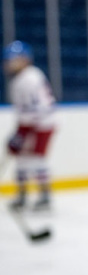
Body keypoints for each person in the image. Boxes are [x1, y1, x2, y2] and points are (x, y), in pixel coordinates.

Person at [3, 40, 56, 212]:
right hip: (30, 124)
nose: (9, 63)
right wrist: (20, 132)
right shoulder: (19, 79)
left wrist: (22, 132)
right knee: (22, 158)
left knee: (36, 159)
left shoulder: (31, 77)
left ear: (24, 59)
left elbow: (38, 108)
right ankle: (22, 195)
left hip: (42, 124)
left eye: (13, 59)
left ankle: (44, 196)